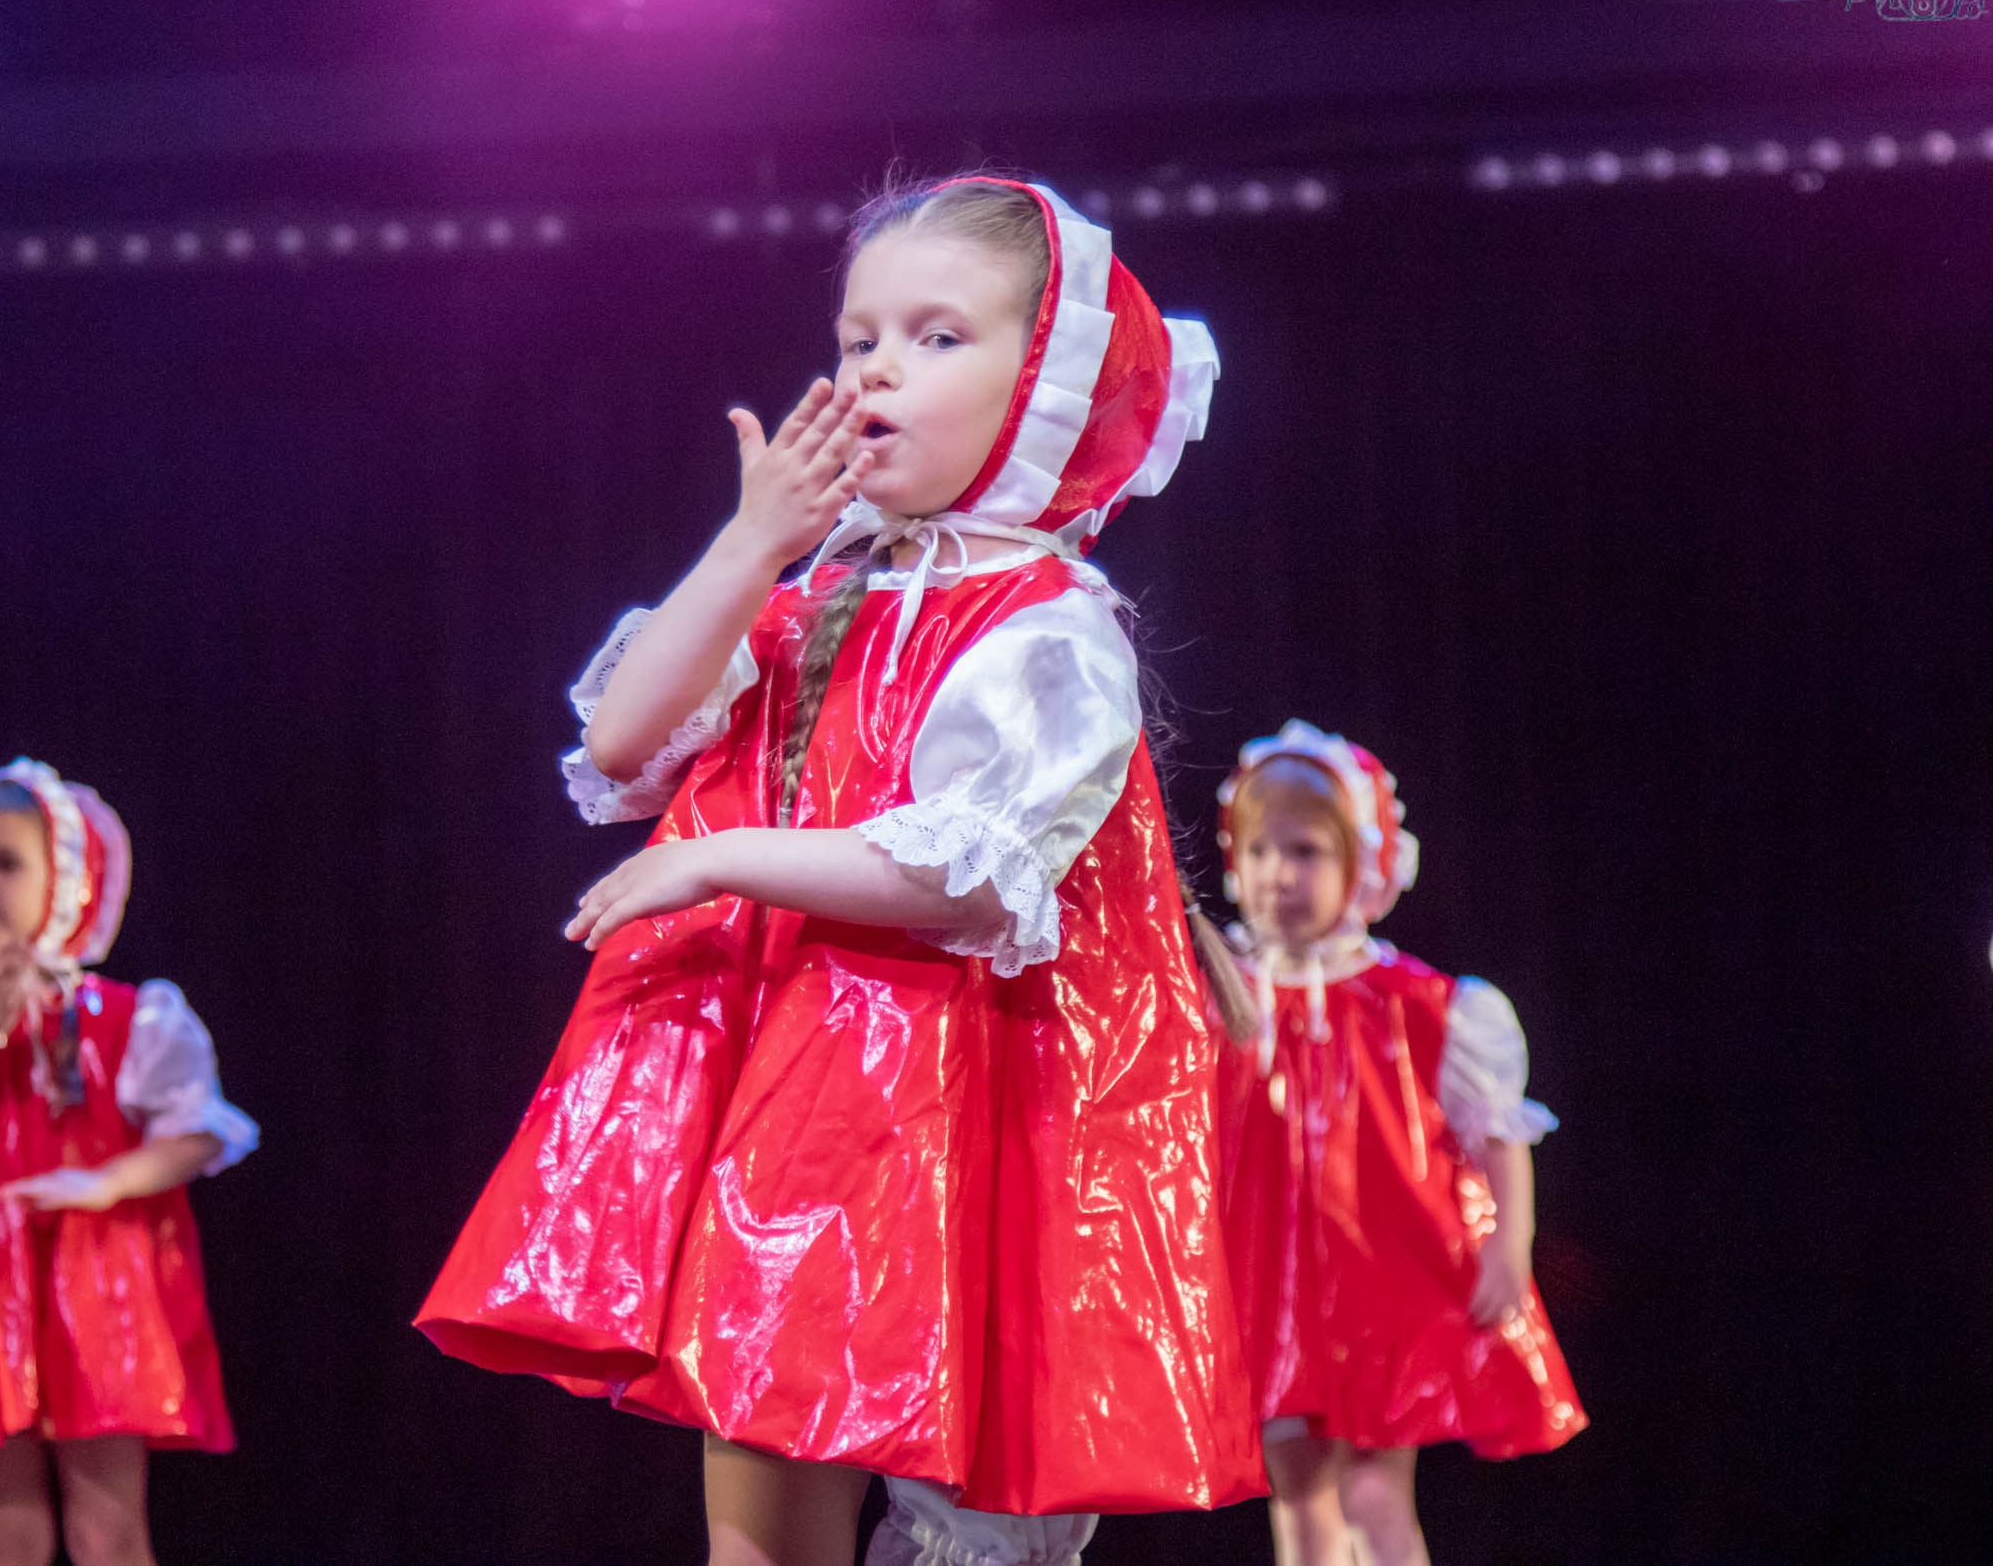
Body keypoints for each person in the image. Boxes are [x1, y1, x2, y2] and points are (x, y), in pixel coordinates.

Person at [416, 174, 1263, 1566]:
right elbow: (623, 739)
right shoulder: (811, 596)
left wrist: (717, 862)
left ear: (1050, 381)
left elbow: (969, 874)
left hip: (974, 1102)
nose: (877, 364)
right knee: (756, 1493)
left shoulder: (1053, 629)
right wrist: (755, 541)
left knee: (975, 1524)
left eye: (938, 336)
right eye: (860, 333)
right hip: (800, 1107)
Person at [0, 758, 258, 1566]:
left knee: (106, 1530)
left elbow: (202, 1132)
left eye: (5, 863)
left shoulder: (130, 1018)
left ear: (63, 878)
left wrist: (103, 1181)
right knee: (9, 1535)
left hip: (97, 1282)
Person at [1211, 721, 1585, 1566]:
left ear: (1365, 865)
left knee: (1377, 1496)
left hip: (1381, 1279)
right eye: (1262, 850)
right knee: (1302, 1502)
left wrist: (1509, 1245)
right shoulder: (1222, 995)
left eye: (1306, 851)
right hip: (1270, 1283)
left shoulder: (1413, 1002)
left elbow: (1496, 1132)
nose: (1281, 873)